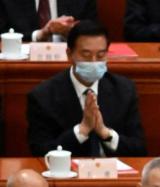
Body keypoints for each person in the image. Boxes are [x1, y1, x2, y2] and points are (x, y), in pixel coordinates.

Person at [26, 20, 147, 157]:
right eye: (86, 55)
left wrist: (106, 133)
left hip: (113, 173)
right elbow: (40, 152)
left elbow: (139, 149)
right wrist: (81, 131)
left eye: (101, 55)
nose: (94, 62)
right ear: (69, 54)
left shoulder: (124, 90)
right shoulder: (43, 96)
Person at [0, 0, 96, 41]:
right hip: (21, 65)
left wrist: (73, 32)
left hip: (70, 62)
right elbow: (2, 36)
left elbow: (94, 32)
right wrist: (38, 35)